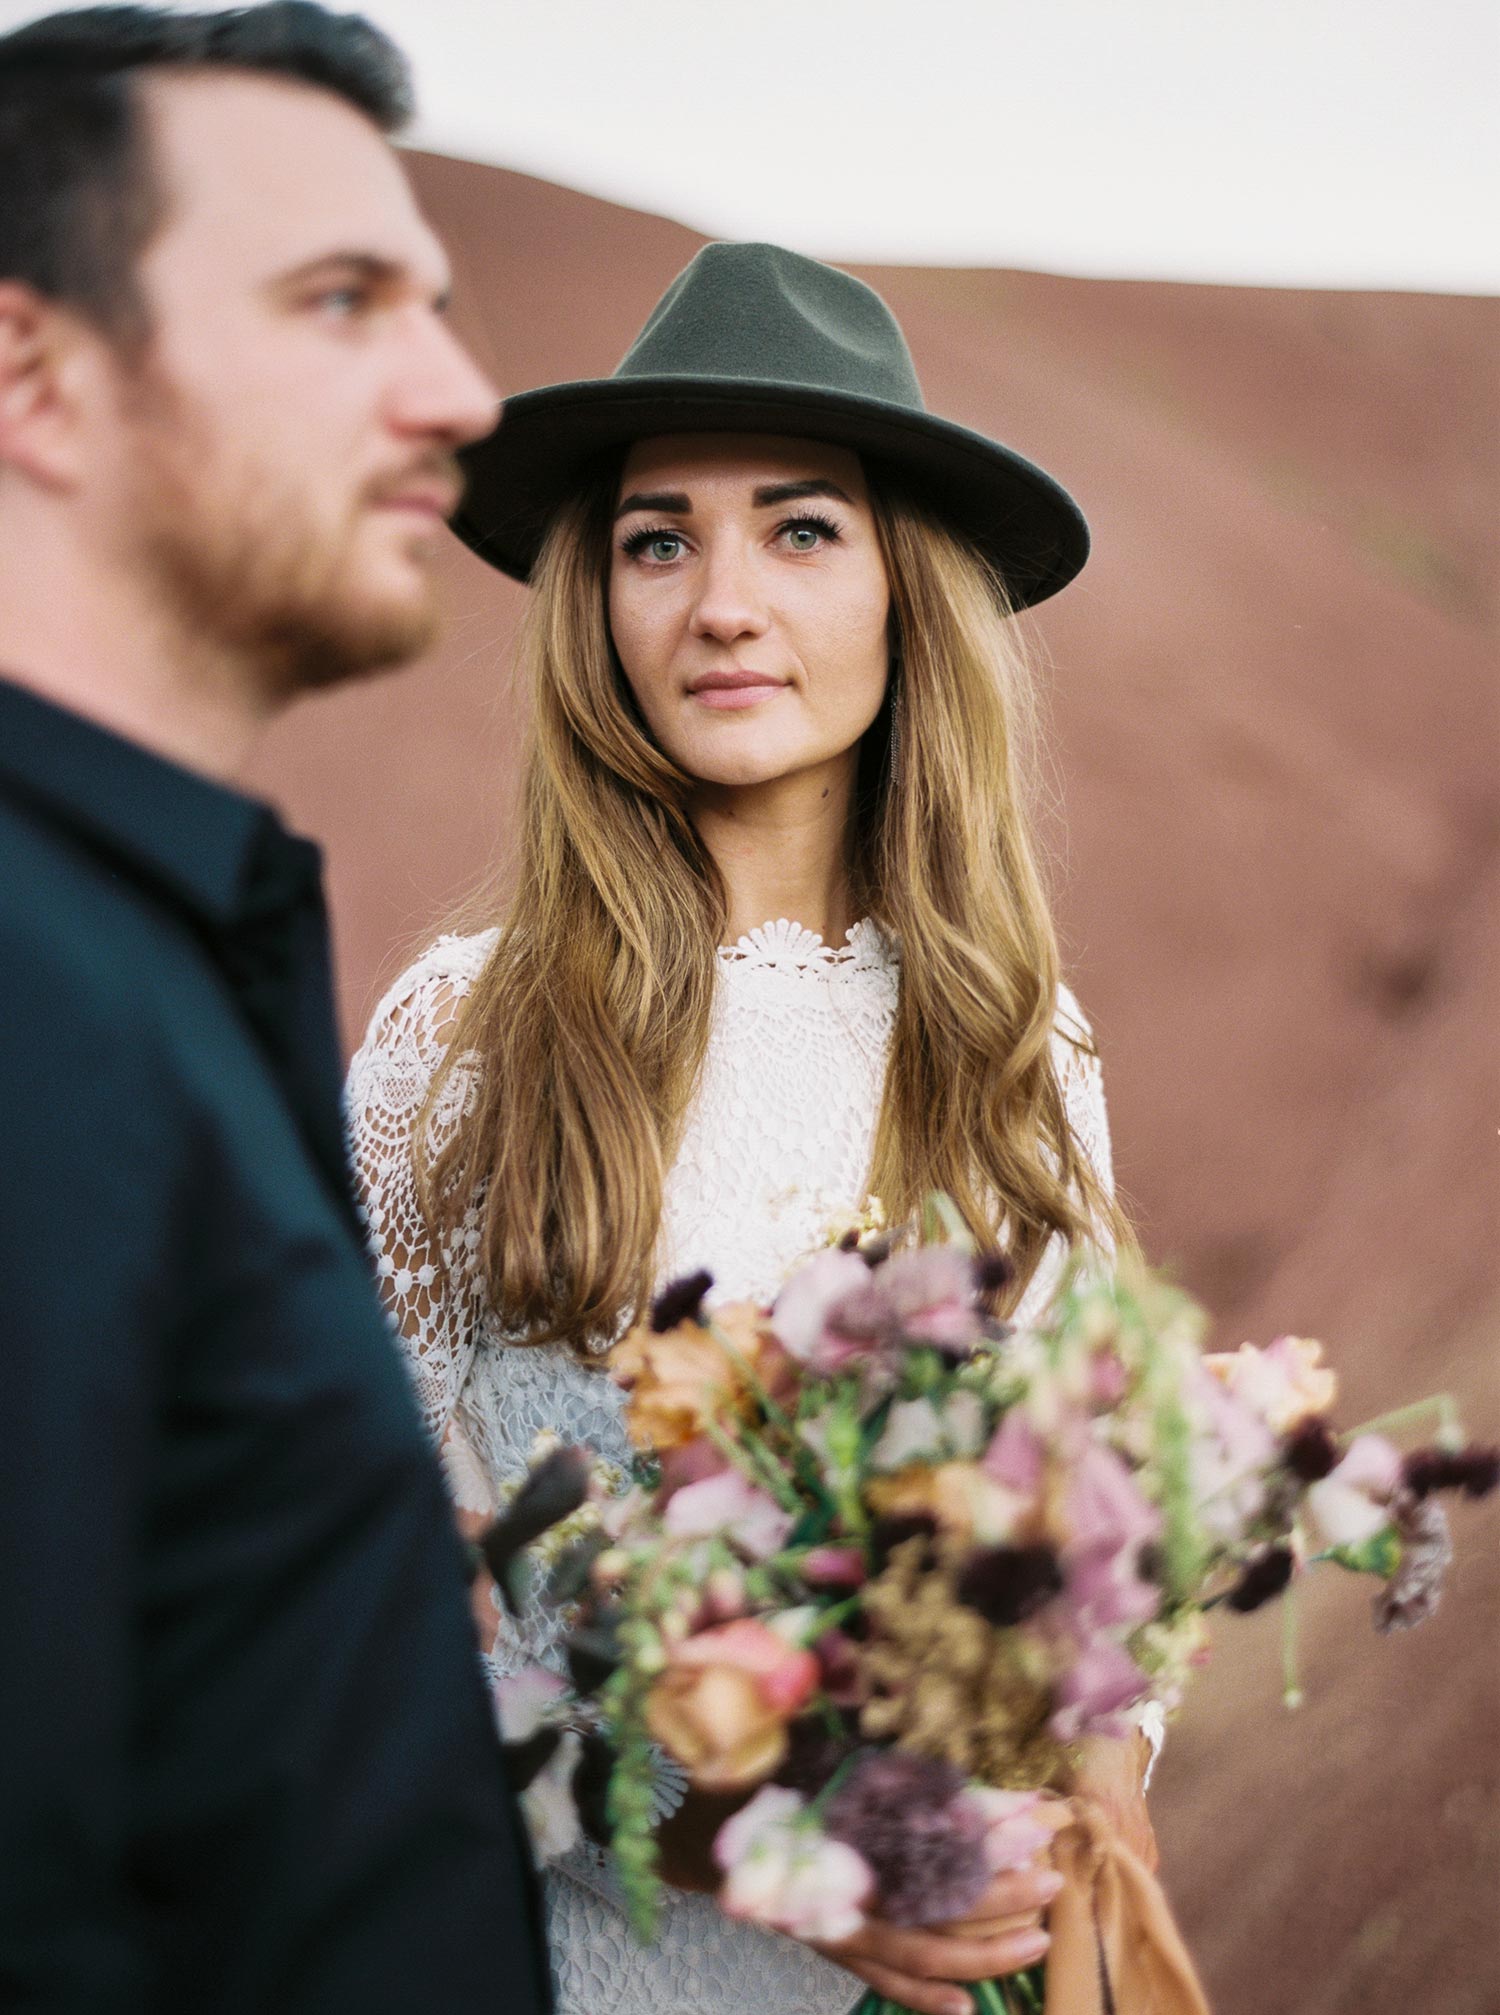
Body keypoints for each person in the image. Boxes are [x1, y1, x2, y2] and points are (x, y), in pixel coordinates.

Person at [348, 241, 1151, 2015]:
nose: (720, 603)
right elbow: (375, 1626)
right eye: (657, 539)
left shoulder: (1022, 1046)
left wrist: (1085, 1819)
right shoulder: (458, 1040)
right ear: (600, 604)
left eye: (800, 531)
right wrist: (772, 1863)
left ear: (903, 592)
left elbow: (1102, 1568)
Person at [0, 6, 552, 2010]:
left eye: (438, 304)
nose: (459, 395)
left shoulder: (154, 949)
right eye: (343, 303)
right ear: (33, 375)